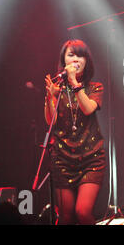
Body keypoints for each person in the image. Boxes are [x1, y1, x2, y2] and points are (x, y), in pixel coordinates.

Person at [44, 39, 105, 225]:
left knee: (82, 212)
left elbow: (88, 109)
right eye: (71, 55)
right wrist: (51, 97)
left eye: (81, 55)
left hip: (91, 157)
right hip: (62, 158)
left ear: (87, 61)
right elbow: (50, 121)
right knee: (65, 217)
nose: (76, 59)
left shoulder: (95, 87)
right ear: (64, 60)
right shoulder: (57, 87)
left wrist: (73, 82)